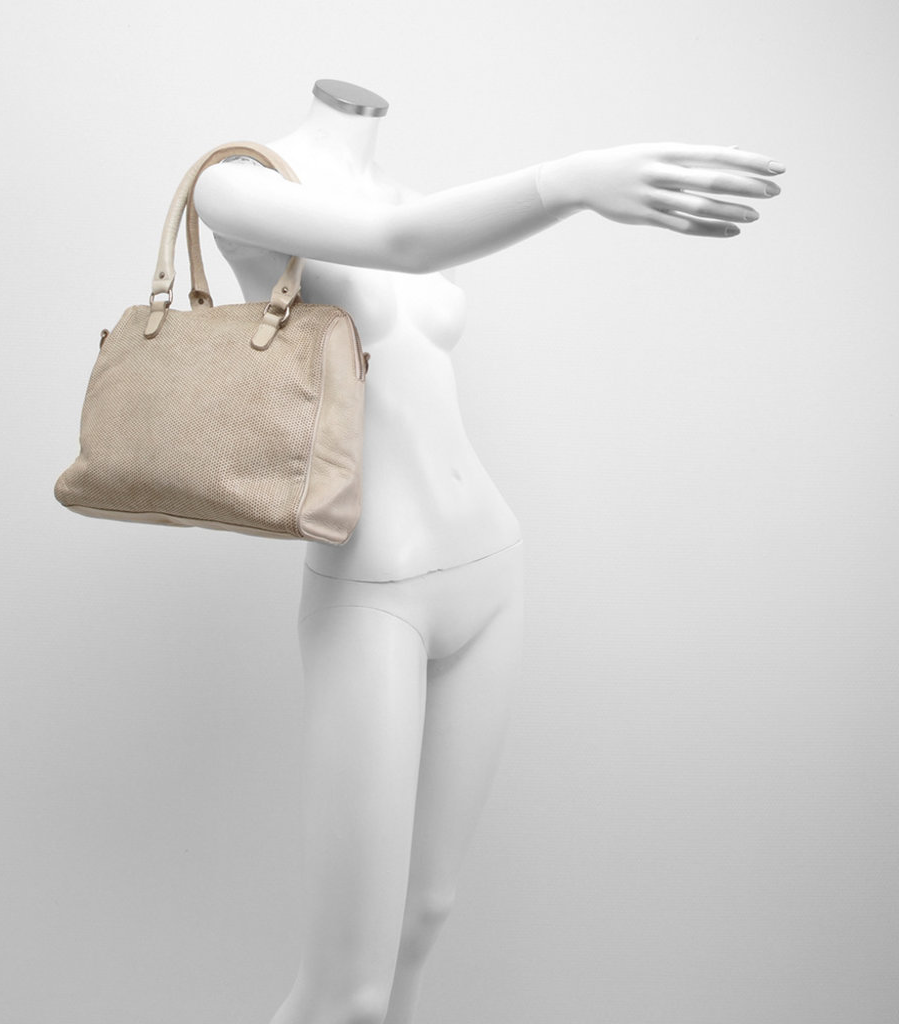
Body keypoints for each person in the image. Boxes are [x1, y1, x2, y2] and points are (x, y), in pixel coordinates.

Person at [192, 79, 784, 1024]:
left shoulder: (407, 197)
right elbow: (403, 248)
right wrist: (571, 180)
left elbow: (414, 233)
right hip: (374, 588)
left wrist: (569, 186)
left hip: (490, 566)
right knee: (347, 989)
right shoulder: (234, 185)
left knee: (426, 916)